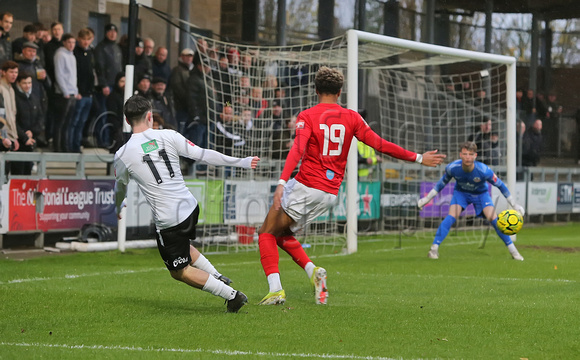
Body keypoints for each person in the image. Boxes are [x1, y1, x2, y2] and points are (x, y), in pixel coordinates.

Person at [257, 67, 446, 306]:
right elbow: (380, 144)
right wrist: (418, 157)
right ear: (340, 91)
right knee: (281, 233)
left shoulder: (307, 115)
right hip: (330, 192)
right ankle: (314, 273)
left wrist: (282, 182)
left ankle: (276, 291)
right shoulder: (352, 117)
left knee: (265, 232)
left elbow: (298, 149)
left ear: (316, 90)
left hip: (306, 186)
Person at [114, 95, 260, 312]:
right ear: (150, 116)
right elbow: (204, 155)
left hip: (169, 219)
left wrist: (119, 206)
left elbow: (120, 188)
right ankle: (217, 275)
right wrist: (241, 162)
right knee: (182, 246)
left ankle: (231, 296)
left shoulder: (123, 154)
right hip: (190, 208)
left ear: (127, 120)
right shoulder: (169, 135)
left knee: (179, 271)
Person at [418, 141, 525, 261]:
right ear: (460, 155)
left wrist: (514, 205)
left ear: (475, 156)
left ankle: (514, 252)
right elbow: (441, 184)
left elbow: (501, 186)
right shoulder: (452, 168)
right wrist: (426, 199)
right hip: (461, 193)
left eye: (470, 154)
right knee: (451, 216)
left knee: (493, 219)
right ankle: (433, 249)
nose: (467, 157)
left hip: (481, 194)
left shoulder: (484, 171)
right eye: (465, 154)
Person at [53, 33, 80, 152]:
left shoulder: (72, 56)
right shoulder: (60, 54)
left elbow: (73, 76)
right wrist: (65, 91)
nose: (71, 45)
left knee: (68, 122)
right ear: (64, 42)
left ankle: (65, 147)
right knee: (61, 122)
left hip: (72, 92)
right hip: (63, 93)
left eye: (73, 42)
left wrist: (75, 90)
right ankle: (58, 147)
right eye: (69, 42)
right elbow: (59, 74)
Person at [13, 72, 42, 174]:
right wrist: (24, 136)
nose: (28, 85)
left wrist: (32, 132)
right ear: (18, 83)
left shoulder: (34, 97)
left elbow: (40, 117)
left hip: (31, 141)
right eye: (24, 83)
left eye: (29, 83)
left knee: (28, 172)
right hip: (18, 142)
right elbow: (13, 121)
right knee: (18, 173)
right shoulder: (14, 97)